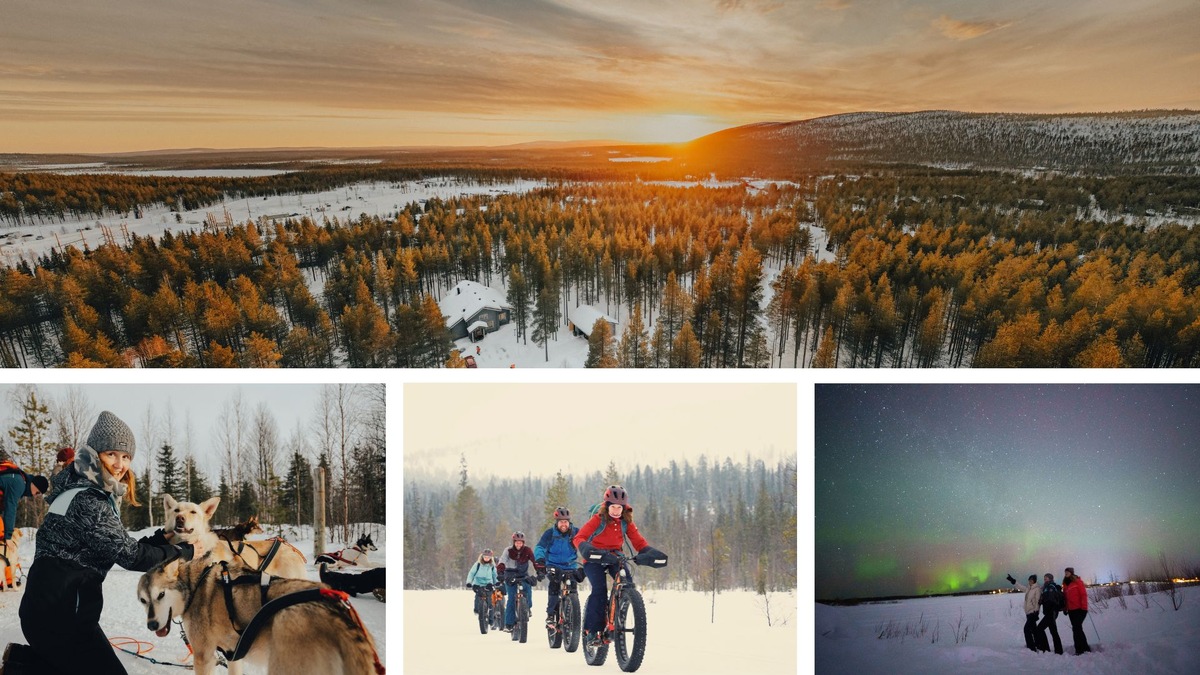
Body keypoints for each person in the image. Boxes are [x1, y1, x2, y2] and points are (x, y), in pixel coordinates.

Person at [15, 411, 196, 675]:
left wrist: (161, 539)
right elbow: (132, 557)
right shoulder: (89, 500)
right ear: (95, 453)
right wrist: (184, 552)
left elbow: (114, 543)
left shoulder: (80, 489)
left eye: (126, 457)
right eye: (112, 454)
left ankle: (20, 665)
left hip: (50, 611)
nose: (120, 464)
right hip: (63, 618)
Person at [573, 485, 663, 648]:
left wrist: (649, 552)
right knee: (599, 590)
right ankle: (592, 631)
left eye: (619, 507)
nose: (616, 510)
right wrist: (585, 547)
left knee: (627, 584)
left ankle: (618, 617)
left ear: (624, 507)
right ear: (607, 506)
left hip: (615, 557)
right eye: (613, 507)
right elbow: (580, 537)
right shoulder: (598, 519)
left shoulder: (626, 522)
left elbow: (638, 541)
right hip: (594, 557)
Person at [0, 457, 48, 589]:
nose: (36, 496)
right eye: (38, 492)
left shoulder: (20, 480)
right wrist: (8, 536)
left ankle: (5, 577)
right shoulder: (19, 484)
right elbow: (10, 509)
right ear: (34, 485)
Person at [534, 507, 580, 628]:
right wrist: (540, 561)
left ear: (569, 522)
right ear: (557, 522)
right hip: (553, 565)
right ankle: (551, 615)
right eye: (561, 522)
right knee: (554, 585)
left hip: (570, 565)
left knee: (573, 588)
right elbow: (540, 547)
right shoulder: (550, 533)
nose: (564, 524)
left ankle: (574, 613)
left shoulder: (576, 532)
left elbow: (585, 544)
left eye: (566, 521)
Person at [496, 531, 540, 640]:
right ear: (514, 542)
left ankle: (527, 608)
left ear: (523, 543)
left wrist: (539, 571)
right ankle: (509, 624)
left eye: (521, 542)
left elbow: (535, 562)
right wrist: (501, 573)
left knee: (528, 589)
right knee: (511, 598)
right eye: (517, 542)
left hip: (523, 574)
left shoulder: (527, 550)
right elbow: (502, 562)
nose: (519, 544)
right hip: (510, 575)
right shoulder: (508, 550)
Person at [1006, 573, 1046, 652]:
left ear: (1034, 581)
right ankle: (1038, 644)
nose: (1030, 581)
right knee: (1034, 630)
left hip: (1032, 613)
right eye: (1029, 580)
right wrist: (1013, 581)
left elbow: (1038, 601)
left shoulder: (1037, 589)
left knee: (1026, 629)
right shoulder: (1029, 588)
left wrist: (1036, 612)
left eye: (1031, 580)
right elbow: (1020, 587)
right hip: (1028, 612)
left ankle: (1031, 647)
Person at [1062, 566, 1091, 655]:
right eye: (1065, 572)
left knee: (1076, 628)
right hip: (1071, 610)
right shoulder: (1065, 584)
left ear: (1071, 573)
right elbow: (1065, 598)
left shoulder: (1077, 582)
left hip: (1079, 609)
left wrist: (1084, 608)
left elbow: (1083, 595)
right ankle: (1085, 648)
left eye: (1067, 572)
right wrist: (1065, 608)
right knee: (1078, 629)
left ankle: (1079, 650)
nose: (1066, 573)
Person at [464, 548, 498, 616]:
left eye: (488, 557)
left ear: (491, 558)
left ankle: (490, 616)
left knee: (489, 598)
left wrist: (496, 582)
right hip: (478, 583)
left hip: (488, 583)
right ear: (482, 556)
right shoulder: (478, 564)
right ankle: (477, 610)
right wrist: (469, 582)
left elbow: (495, 575)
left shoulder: (492, 566)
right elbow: (471, 573)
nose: (486, 558)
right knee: (478, 596)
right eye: (485, 557)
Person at [1037, 572, 1065, 654]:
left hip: (1051, 612)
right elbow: (1047, 599)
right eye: (1044, 578)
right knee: (1053, 631)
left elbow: (1051, 600)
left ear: (1050, 578)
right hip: (1050, 612)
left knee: (1040, 628)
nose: (1045, 579)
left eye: (1046, 578)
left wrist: (1044, 601)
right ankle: (1058, 650)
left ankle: (1045, 648)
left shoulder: (1051, 587)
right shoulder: (1046, 587)